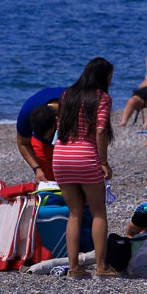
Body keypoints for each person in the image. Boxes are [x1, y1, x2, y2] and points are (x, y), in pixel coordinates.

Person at [53, 57, 118, 278]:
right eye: (110, 75)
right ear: (103, 76)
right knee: (98, 211)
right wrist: (103, 162)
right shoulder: (102, 97)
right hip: (85, 156)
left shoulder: (67, 94)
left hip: (61, 155)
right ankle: (101, 266)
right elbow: (100, 131)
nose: (111, 79)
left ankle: (74, 268)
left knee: (74, 213)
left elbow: (60, 126)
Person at [15, 87, 65, 184]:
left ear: (56, 120)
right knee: (49, 181)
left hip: (73, 133)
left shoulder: (74, 105)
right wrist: (37, 169)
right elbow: (23, 143)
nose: (49, 139)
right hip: (42, 145)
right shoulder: (26, 114)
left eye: (50, 135)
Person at [29, 104, 58, 181]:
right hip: (40, 143)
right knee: (47, 178)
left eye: (48, 135)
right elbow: (22, 143)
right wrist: (37, 169)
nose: (47, 138)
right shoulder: (25, 116)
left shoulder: (69, 109)